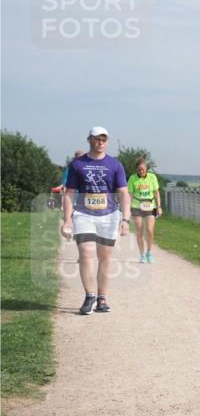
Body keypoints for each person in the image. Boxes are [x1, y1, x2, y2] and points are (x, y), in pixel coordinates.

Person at [61, 127, 130, 314]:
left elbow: (123, 193)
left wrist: (126, 219)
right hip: (84, 215)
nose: (100, 142)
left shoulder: (115, 165)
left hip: (108, 215)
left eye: (103, 139)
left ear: (107, 142)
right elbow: (69, 193)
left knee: (105, 257)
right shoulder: (77, 164)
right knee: (86, 253)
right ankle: (89, 296)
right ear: (89, 140)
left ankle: (102, 297)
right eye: (96, 139)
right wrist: (67, 220)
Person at [127, 158, 162, 262]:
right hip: (136, 206)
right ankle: (142, 254)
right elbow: (130, 194)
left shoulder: (152, 177)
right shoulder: (132, 179)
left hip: (150, 206)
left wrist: (159, 207)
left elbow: (156, 193)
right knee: (140, 231)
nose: (141, 172)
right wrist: (128, 208)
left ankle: (149, 252)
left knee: (150, 230)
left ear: (147, 169)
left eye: (143, 170)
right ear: (136, 169)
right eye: (139, 170)